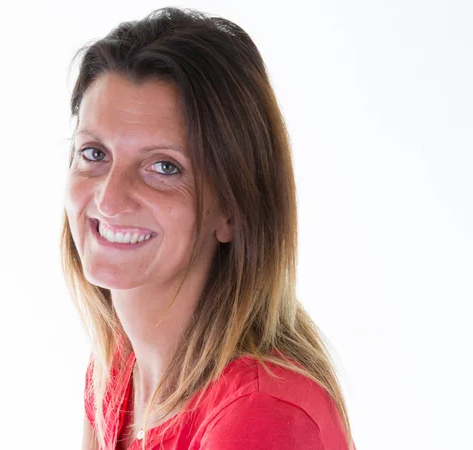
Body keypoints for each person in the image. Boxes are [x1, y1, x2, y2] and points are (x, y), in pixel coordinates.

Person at [61, 7, 356, 450]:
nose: (109, 199)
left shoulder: (261, 414)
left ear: (233, 209)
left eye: (163, 167)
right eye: (94, 154)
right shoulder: (115, 366)